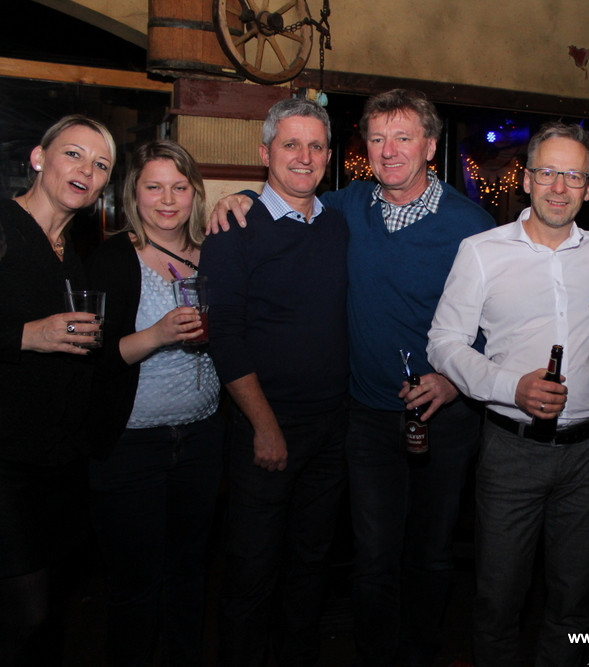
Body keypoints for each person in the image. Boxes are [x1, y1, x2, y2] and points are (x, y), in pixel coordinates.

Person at [210, 89, 493, 666]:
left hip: (445, 419)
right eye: (377, 138)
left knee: (430, 554)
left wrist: (453, 381)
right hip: (363, 419)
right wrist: (240, 197)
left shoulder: (471, 225)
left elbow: (498, 322)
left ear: (430, 146)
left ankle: (417, 654)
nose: (388, 151)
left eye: (403, 137)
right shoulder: (348, 206)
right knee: (371, 557)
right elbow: (288, 192)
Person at [427, 122, 589, 666]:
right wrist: (511, 386)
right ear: (527, 178)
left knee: (574, 603)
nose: (559, 187)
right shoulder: (481, 251)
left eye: (573, 176)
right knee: (497, 600)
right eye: (548, 172)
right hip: (512, 451)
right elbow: (444, 342)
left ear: (588, 187)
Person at [200, 98, 350, 665]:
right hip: (265, 425)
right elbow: (225, 334)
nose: (304, 157)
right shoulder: (234, 229)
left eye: (316, 146)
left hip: (332, 427)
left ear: (329, 156)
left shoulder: (338, 224)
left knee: (311, 566)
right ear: (265, 153)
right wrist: (264, 426)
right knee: (252, 569)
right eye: (291, 144)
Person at [85, 140, 222, 666]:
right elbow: (94, 360)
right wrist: (159, 335)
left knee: (189, 575)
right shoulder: (113, 259)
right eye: (154, 187)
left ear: (195, 194)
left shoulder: (215, 253)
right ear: (133, 194)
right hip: (131, 445)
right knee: (134, 584)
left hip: (202, 438)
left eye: (179, 187)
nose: (167, 200)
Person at [0, 115, 115, 665]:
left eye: (100, 165)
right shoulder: (4, 226)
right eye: (74, 154)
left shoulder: (72, 254)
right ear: (39, 158)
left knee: (53, 613)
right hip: (6, 463)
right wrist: (28, 335)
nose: (86, 170)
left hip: (60, 463)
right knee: (23, 616)